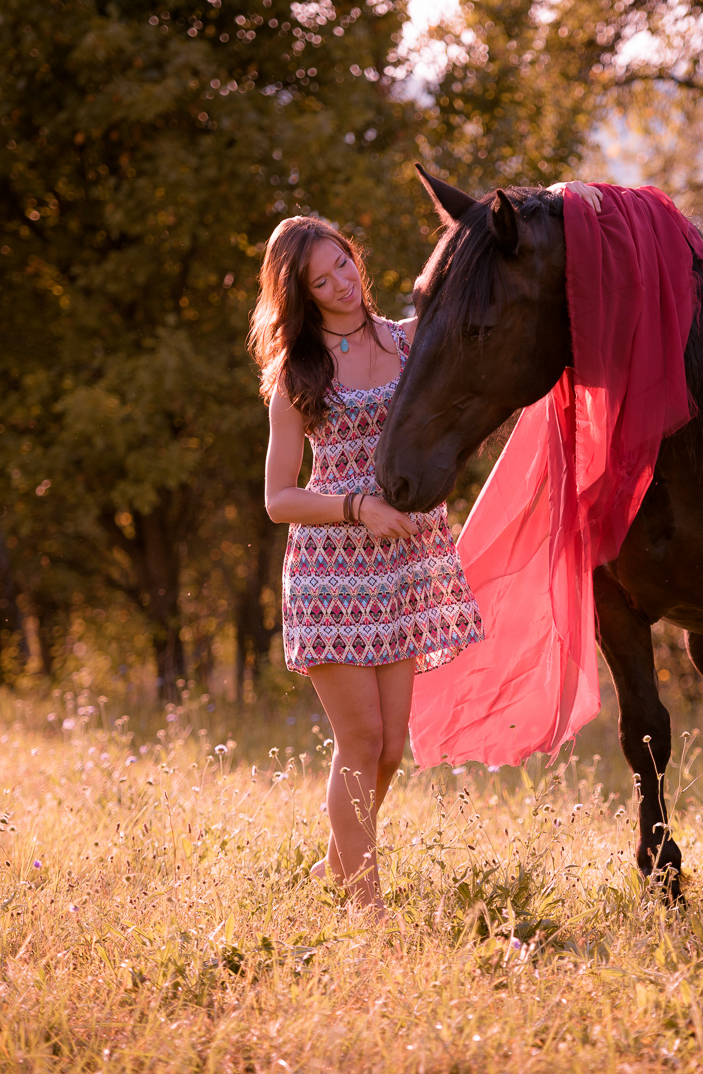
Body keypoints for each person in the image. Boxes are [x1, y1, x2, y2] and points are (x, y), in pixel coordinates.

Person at [249, 182, 600, 913]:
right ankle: (363, 899)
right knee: (363, 738)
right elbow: (279, 498)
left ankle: (338, 863)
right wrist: (356, 508)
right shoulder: (297, 375)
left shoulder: (412, 339)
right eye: (323, 280)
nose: (343, 282)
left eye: (344, 263)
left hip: (408, 565)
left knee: (390, 749)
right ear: (303, 296)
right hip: (332, 574)